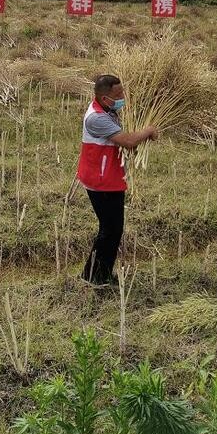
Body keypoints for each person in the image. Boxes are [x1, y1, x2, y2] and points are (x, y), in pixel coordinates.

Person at [76, 75, 157, 286]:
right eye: (118, 95)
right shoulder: (96, 118)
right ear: (104, 98)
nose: (123, 97)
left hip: (108, 176)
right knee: (110, 230)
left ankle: (99, 274)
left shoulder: (107, 110)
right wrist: (147, 131)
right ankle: (93, 276)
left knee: (113, 229)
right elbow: (128, 141)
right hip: (100, 180)